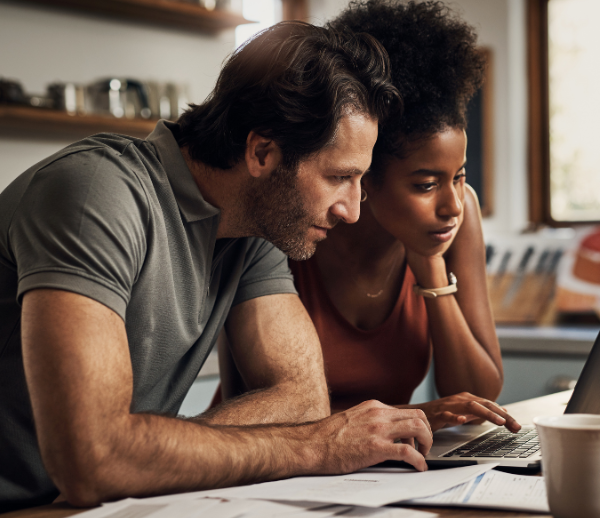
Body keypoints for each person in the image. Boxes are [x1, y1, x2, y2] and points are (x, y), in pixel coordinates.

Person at [0, 22, 436, 518]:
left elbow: (301, 399)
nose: (354, 209)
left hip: (104, 504)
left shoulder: (256, 226)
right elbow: (94, 460)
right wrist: (316, 447)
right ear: (263, 154)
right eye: (339, 176)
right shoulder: (96, 194)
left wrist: (142, 455)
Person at [214, 0, 521, 434]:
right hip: (267, 468)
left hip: (376, 469)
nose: (452, 204)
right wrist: (408, 416)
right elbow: (247, 410)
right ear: (365, 174)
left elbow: (480, 395)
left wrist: (430, 267)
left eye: (459, 176)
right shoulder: (290, 222)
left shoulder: (455, 217)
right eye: (425, 184)